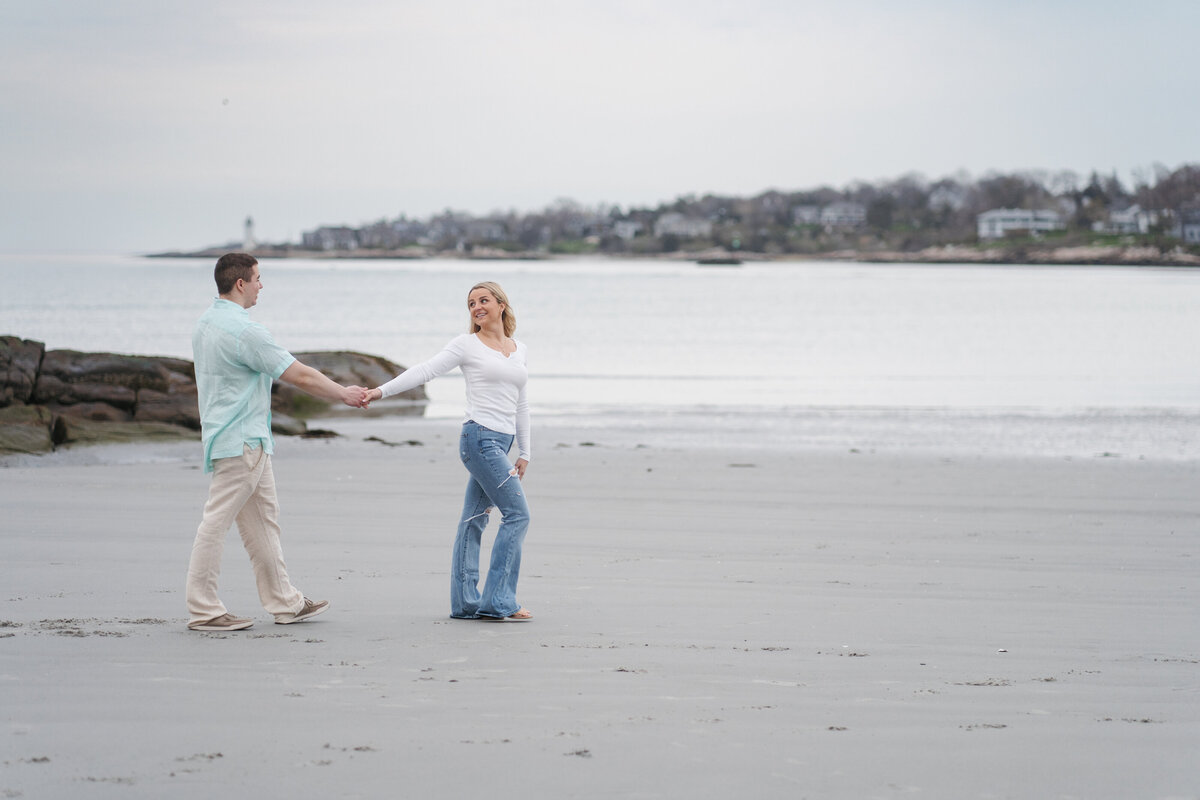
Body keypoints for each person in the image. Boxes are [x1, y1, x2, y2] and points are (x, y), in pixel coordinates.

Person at [186, 253, 368, 632]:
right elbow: (299, 374)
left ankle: (285, 602)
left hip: (235, 437)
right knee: (215, 523)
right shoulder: (245, 332)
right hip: (242, 441)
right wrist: (343, 394)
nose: (260, 285)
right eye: (257, 278)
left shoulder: (205, 323)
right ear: (240, 284)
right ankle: (204, 609)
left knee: (263, 524)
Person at [365, 281, 532, 622]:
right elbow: (425, 371)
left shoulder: (519, 349)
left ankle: (466, 603)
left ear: (501, 305)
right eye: (471, 303)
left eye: (483, 300)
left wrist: (526, 451)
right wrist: (379, 392)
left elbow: (522, 403)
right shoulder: (466, 345)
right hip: (479, 439)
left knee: (474, 519)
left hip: (503, 442)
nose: (476, 307)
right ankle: (499, 601)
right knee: (517, 515)